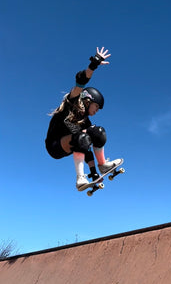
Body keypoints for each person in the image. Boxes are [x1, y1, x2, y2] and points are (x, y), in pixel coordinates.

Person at [45, 46, 122, 191]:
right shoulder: (72, 102)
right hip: (54, 145)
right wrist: (93, 65)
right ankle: (80, 178)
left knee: (97, 132)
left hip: (73, 142)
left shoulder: (85, 121)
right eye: (96, 107)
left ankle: (103, 165)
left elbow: (85, 148)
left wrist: (93, 171)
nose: (96, 111)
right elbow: (80, 81)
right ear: (88, 100)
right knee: (80, 137)